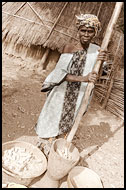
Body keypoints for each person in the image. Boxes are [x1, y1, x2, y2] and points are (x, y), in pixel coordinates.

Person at [35, 14, 107, 142]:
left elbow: (98, 75)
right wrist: (83, 78)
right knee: (53, 116)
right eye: (83, 30)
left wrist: (100, 62)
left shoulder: (97, 51)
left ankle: (59, 142)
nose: (86, 34)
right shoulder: (69, 48)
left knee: (70, 118)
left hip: (80, 94)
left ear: (94, 33)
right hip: (62, 90)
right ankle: (46, 141)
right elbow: (59, 74)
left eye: (90, 31)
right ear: (78, 31)